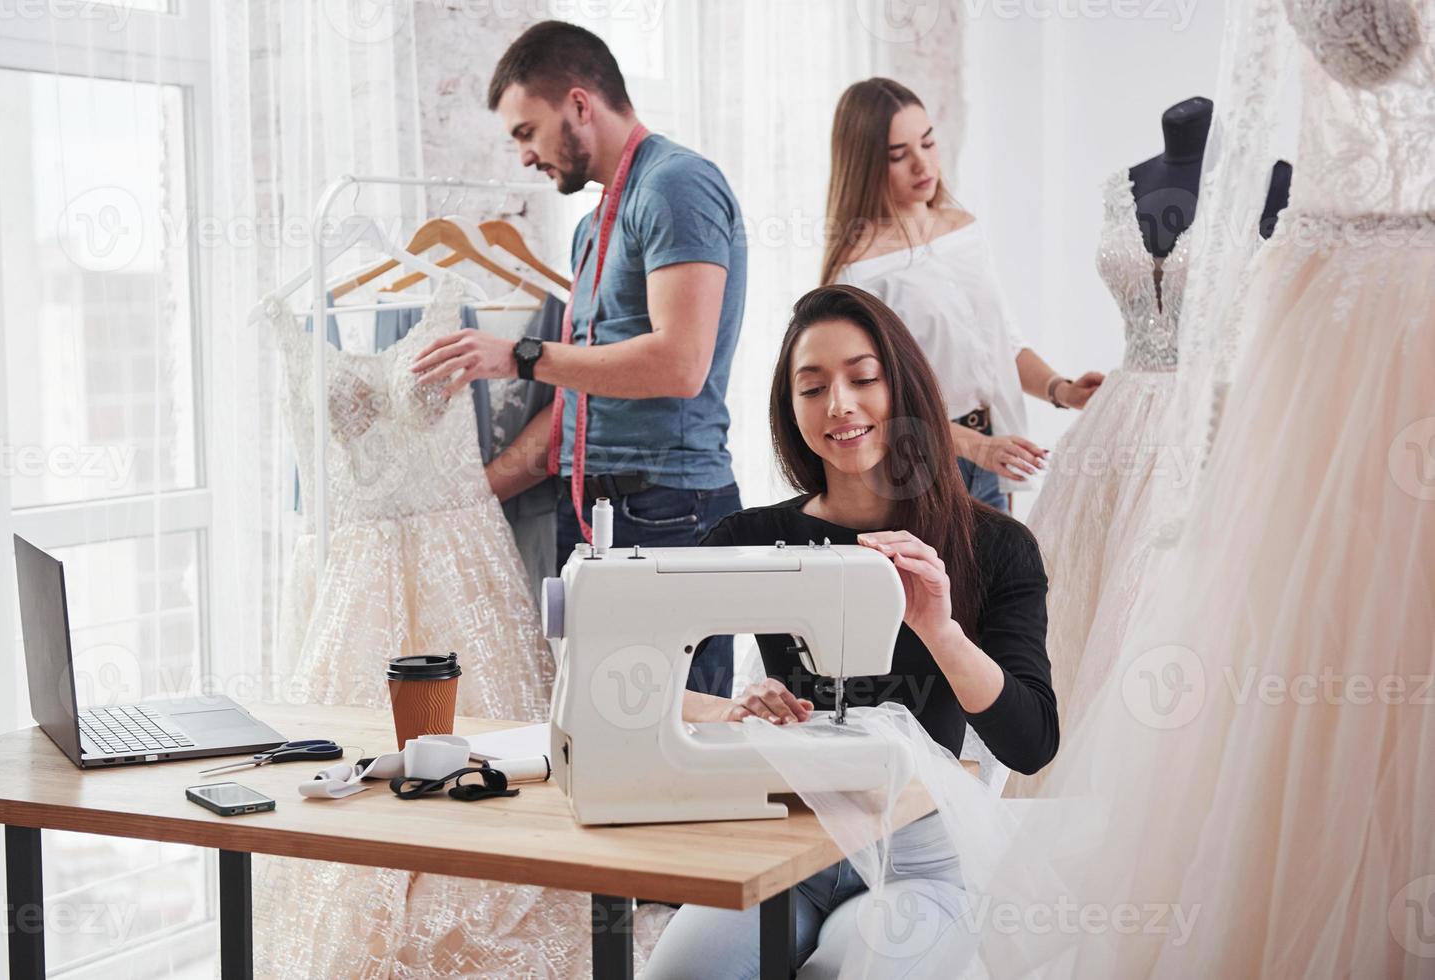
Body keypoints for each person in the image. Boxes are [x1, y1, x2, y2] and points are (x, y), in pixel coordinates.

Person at [643, 284, 1058, 978]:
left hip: (917, 859)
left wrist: (940, 630)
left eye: (862, 378)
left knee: (851, 971)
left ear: (904, 390)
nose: (838, 404)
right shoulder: (752, 539)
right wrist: (731, 711)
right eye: (811, 387)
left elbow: (1031, 740)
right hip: (787, 848)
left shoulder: (995, 547)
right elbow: (629, 678)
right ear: (789, 408)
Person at [413, 20, 746, 696]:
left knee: (681, 740)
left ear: (578, 104)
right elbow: (577, 405)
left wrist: (521, 356)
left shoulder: (676, 186)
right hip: (595, 515)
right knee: (597, 741)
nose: (524, 157)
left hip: (667, 512)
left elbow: (680, 365)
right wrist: (456, 498)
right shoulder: (592, 230)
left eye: (525, 132)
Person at [824, 77, 1103, 511]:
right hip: (922, 468)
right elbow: (874, 405)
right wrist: (974, 447)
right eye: (899, 155)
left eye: (928, 143)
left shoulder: (963, 230)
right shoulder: (860, 271)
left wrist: (1061, 390)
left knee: (1000, 578)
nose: (923, 165)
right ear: (864, 163)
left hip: (994, 453)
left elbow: (1001, 343)